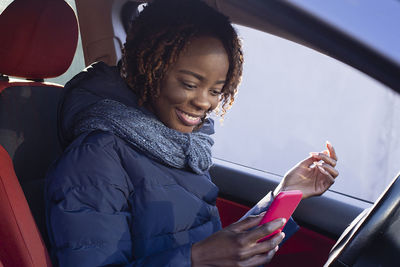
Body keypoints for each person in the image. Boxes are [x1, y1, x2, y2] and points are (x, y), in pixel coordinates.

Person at [45, 0, 339, 266]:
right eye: (189, 84)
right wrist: (197, 258)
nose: (204, 102)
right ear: (144, 67)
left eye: (216, 90)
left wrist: (286, 194)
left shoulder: (181, 145)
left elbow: (215, 249)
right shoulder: (95, 159)